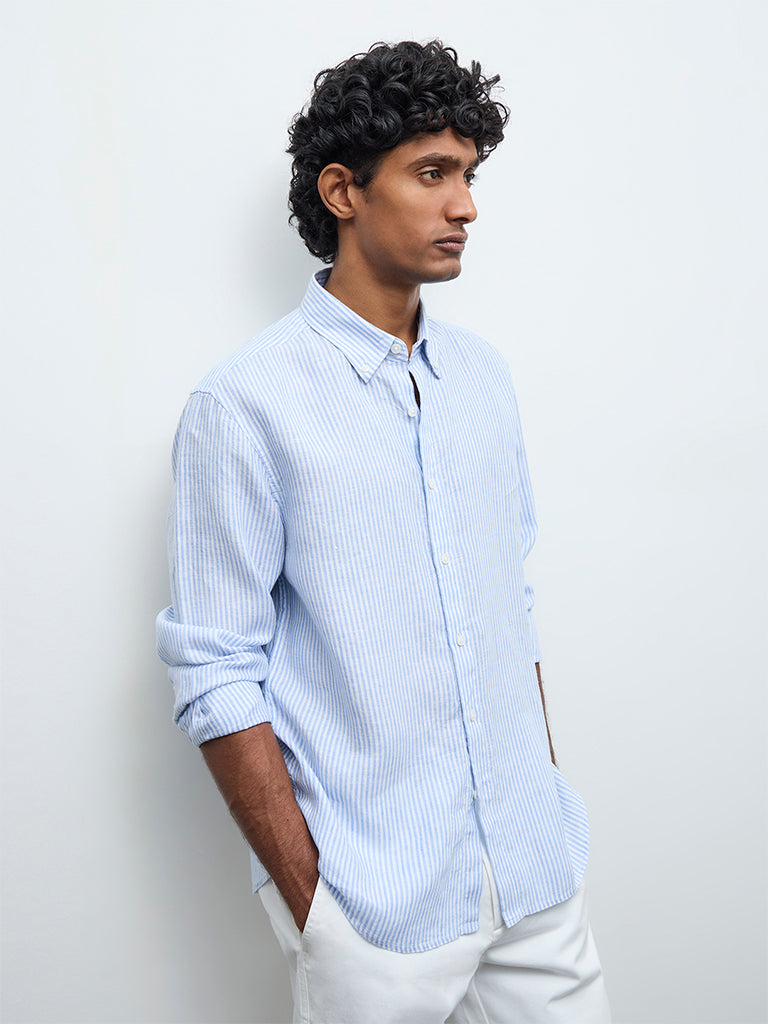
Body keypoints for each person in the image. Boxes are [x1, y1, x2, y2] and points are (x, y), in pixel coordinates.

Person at [156, 39, 611, 1024]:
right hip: (375, 909)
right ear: (343, 192)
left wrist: (541, 799)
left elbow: (509, 608)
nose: (466, 206)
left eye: (470, 175)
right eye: (432, 173)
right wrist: (317, 906)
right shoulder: (244, 406)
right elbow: (215, 667)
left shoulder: (484, 380)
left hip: (534, 882)